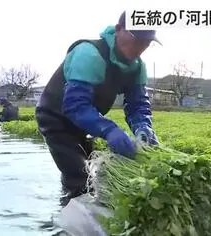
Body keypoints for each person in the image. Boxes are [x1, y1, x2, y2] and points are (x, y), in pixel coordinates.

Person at [35, 11, 160, 201]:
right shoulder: (89, 54)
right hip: (56, 119)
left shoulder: (137, 67)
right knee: (81, 180)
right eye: (136, 39)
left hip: (85, 124)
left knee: (90, 171)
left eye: (147, 43)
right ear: (119, 30)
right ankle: (70, 220)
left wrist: (143, 126)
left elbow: (138, 105)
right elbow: (75, 106)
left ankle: (72, 200)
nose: (140, 47)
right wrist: (109, 129)